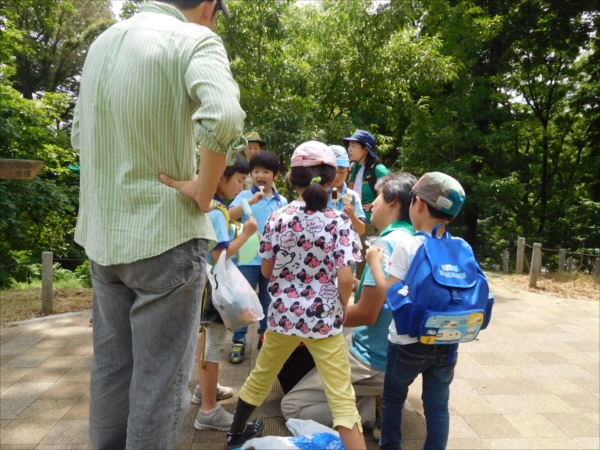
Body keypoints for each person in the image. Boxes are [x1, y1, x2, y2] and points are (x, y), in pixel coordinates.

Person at [71, 1, 245, 448]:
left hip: (103, 237)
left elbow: (77, 136)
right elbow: (224, 116)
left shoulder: (102, 43)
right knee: (160, 378)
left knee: (112, 368)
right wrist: (205, 190)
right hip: (164, 234)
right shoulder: (195, 40)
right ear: (208, 5)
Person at [226, 141, 366, 450]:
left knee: (261, 375)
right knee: (342, 397)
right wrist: (340, 307)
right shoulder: (340, 222)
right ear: (331, 179)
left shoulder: (279, 217)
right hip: (325, 322)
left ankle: (236, 435)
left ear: (291, 177)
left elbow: (265, 272)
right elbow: (345, 278)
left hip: (282, 317)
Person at [281, 172, 417, 434]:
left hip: (371, 359)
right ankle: (376, 401)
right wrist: (353, 285)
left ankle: (368, 412)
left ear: (393, 201)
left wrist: (309, 316)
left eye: (378, 195)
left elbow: (366, 314)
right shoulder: (414, 239)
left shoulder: (386, 244)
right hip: (401, 354)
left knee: (292, 407)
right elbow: (387, 297)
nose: (372, 203)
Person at [366, 172, 467, 450]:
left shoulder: (409, 244)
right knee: (437, 407)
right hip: (446, 342)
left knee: (393, 400)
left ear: (418, 203)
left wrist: (375, 261)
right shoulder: (460, 247)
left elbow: (390, 293)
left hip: (407, 342)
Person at [192, 154, 258, 431]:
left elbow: (224, 217)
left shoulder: (212, 205)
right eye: (240, 180)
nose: (242, 187)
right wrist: (247, 234)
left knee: (206, 341)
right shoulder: (217, 210)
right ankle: (209, 411)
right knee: (214, 345)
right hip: (214, 290)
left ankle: (203, 390)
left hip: (202, 286)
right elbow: (221, 255)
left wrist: (247, 205)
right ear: (222, 177)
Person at [227, 151, 287, 363]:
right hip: (247, 259)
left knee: (268, 300)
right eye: (256, 171)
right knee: (243, 300)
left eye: (266, 171)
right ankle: (238, 340)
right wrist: (250, 201)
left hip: (272, 260)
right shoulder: (244, 197)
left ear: (276, 175)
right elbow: (227, 215)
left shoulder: (283, 202)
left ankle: (265, 337)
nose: (260, 175)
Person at [344, 130, 390, 279]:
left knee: (363, 271)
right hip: (352, 222)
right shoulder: (354, 168)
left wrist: (376, 205)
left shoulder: (378, 169)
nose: (349, 149)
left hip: (369, 226)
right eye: (349, 145)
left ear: (365, 150)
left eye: (353, 146)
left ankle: (362, 300)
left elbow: (394, 190)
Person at [328, 145, 366, 236]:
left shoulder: (352, 196)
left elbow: (361, 230)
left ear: (347, 171)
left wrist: (352, 216)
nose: (337, 176)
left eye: (341, 172)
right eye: (333, 172)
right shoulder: (318, 194)